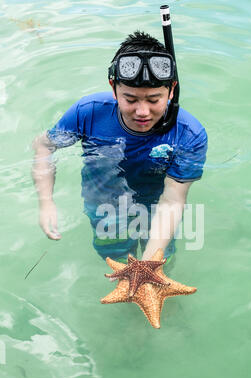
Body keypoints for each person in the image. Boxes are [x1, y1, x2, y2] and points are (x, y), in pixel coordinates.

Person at [32, 31, 207, 264]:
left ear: (172, 90)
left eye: (154, 100)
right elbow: (44, 145)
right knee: (114, 260)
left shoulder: (189, 134)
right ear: (113, 87)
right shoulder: (88, 112)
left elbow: (173, 200)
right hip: (104, 204)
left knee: (159, 262)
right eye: (131, 100)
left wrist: (148, 265)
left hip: (158, 207)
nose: (142, 111)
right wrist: (46, 202)